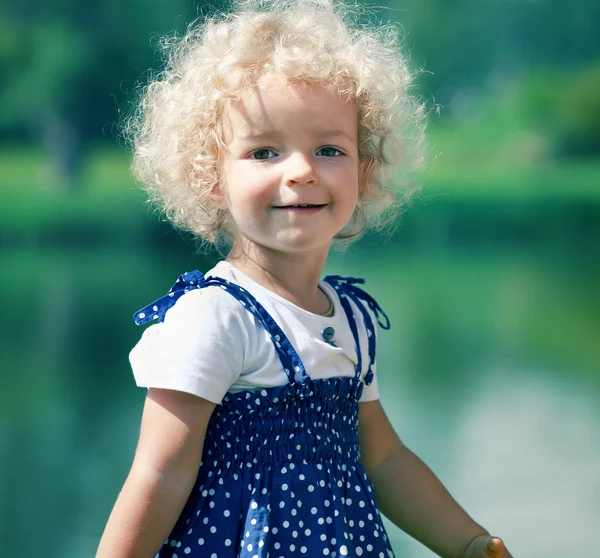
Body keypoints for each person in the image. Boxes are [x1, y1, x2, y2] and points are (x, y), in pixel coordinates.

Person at [96, 0, 514, 556]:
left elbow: (385, 460)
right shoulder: (214, 318)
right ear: (211, 177)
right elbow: (159, 476)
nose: (302, 170)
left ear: (363, 173)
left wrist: (469, 542)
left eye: (328, 149)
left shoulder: (349, 321)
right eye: (264, 151)